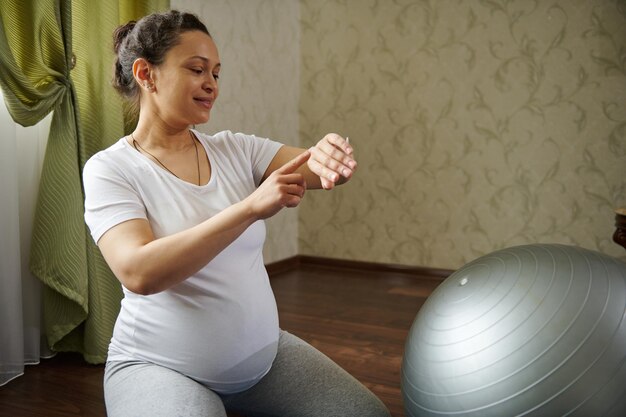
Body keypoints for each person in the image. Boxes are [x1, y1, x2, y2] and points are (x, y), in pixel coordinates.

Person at [83, 9, 390, 417]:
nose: (211, 84)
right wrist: (249, 208)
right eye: (196, 69)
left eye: (216, 73)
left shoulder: (236, 149)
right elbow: (139, 272)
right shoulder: (111, 168)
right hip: (160, 366)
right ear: (146, 74)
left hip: (264, 359)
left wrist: (330, 151)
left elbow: (316, 167)